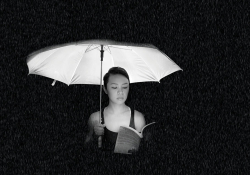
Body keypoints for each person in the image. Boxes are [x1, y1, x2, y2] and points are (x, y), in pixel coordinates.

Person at [84, 67, 146, 151]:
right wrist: (94, 136)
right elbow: (85, 148)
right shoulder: (95, 118)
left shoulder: (137, 118)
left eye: (124, 87)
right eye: (114, 87)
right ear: (105, 89)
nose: (120, 92)